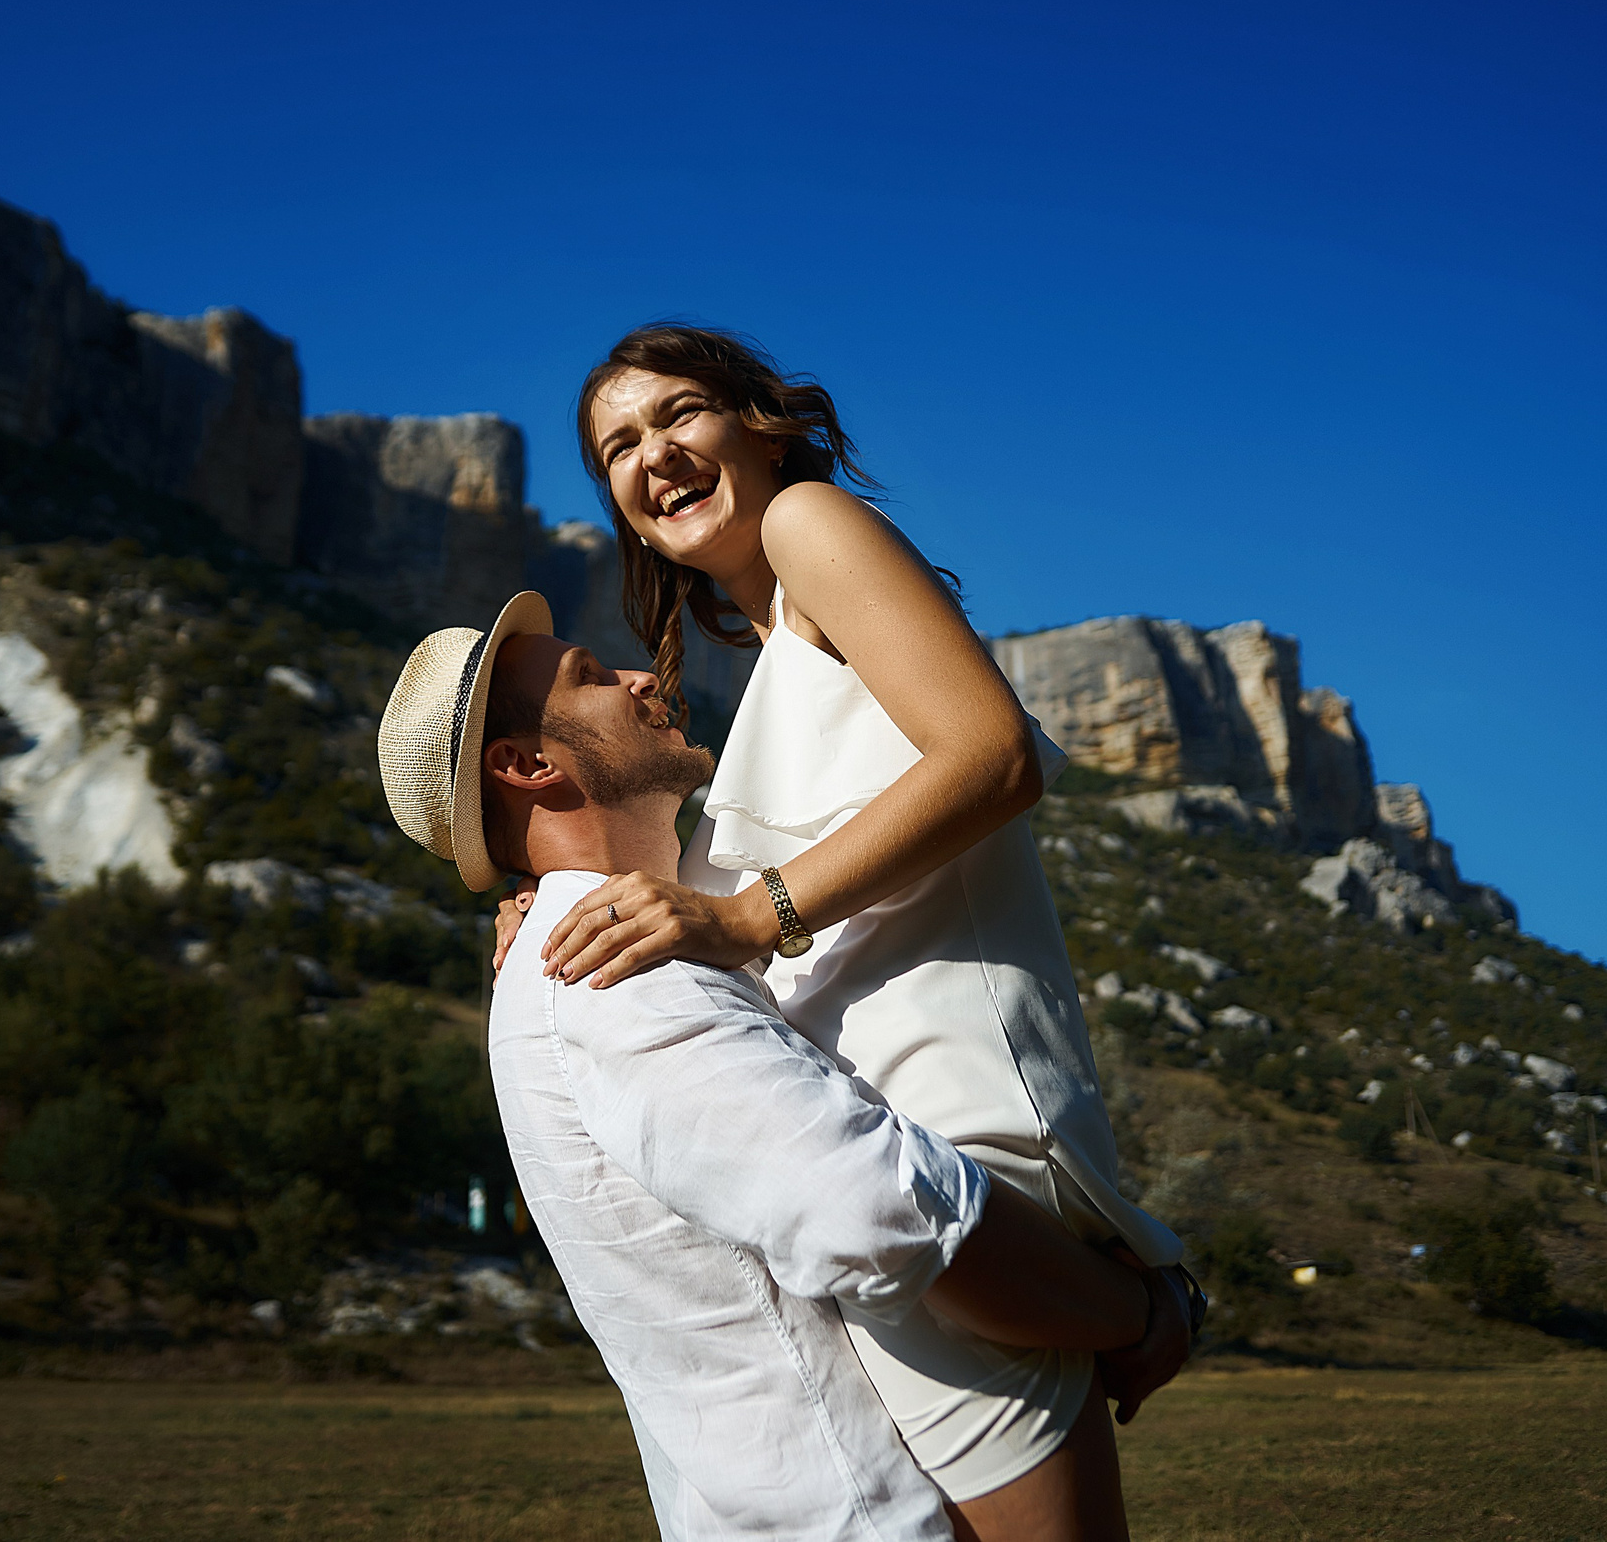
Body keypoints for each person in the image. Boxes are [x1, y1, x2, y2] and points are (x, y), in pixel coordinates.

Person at [511, 323, 1197, 1538]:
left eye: (678, 416)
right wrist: (550, 898)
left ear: (760, 424)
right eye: (617, 446)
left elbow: (991, 758)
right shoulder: (769, 654)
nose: (651, 456)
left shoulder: (806, 527)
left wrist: (742, 913)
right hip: (896, 1171)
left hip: (964, 1166)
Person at [378, 593, 1188, 1542]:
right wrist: (1142, 1311)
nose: (646, 676)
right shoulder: (609, 967)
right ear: (527, 765)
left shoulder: (605, 941)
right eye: (590, 677)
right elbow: (882, 1212)